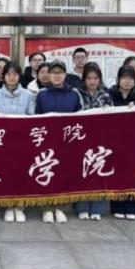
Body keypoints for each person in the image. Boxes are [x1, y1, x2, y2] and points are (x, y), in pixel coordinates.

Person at [0, 62, 36, 223]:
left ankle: (20, 205)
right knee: (6, 173)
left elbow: (32, 117)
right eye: (8, 74)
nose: (12, 77)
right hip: (3, 142)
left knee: (22, 173)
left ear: (19, 76)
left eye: (15, 74)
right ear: (3, 76)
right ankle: (9, 205)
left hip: (22, 141)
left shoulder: (28, 95)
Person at [34, 61, 80, 225]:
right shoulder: (42, 94)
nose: (56, 75)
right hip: (46, 141)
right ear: (49, 75)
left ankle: (62, 207)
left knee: (64, 174)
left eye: (60, 72)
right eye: (53, 72)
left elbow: (80, 117)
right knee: (46, 173)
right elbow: (36, 117)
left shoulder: (74, 94)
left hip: (67, 141)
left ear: (65, 75)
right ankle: (46, 208)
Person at [108, 65, 135, 220]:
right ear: (118, 79)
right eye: (124, 78)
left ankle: (133, 207)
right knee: (117, 174)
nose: (127, 81)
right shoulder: (109, 95)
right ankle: (118, 206)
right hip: (115, 142)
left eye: (131, 78)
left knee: (134, 174)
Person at [73, 62, 113, 221]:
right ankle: (82, 207)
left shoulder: (106, 95)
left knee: (99, 173)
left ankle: (98, 208)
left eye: (95, 78)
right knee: (83, 173)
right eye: (89, 78)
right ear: (84, 79)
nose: (92, 81)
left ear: (100, 79)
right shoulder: (77, 94)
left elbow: (113, 117)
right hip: (82, 139)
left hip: (101, 139)